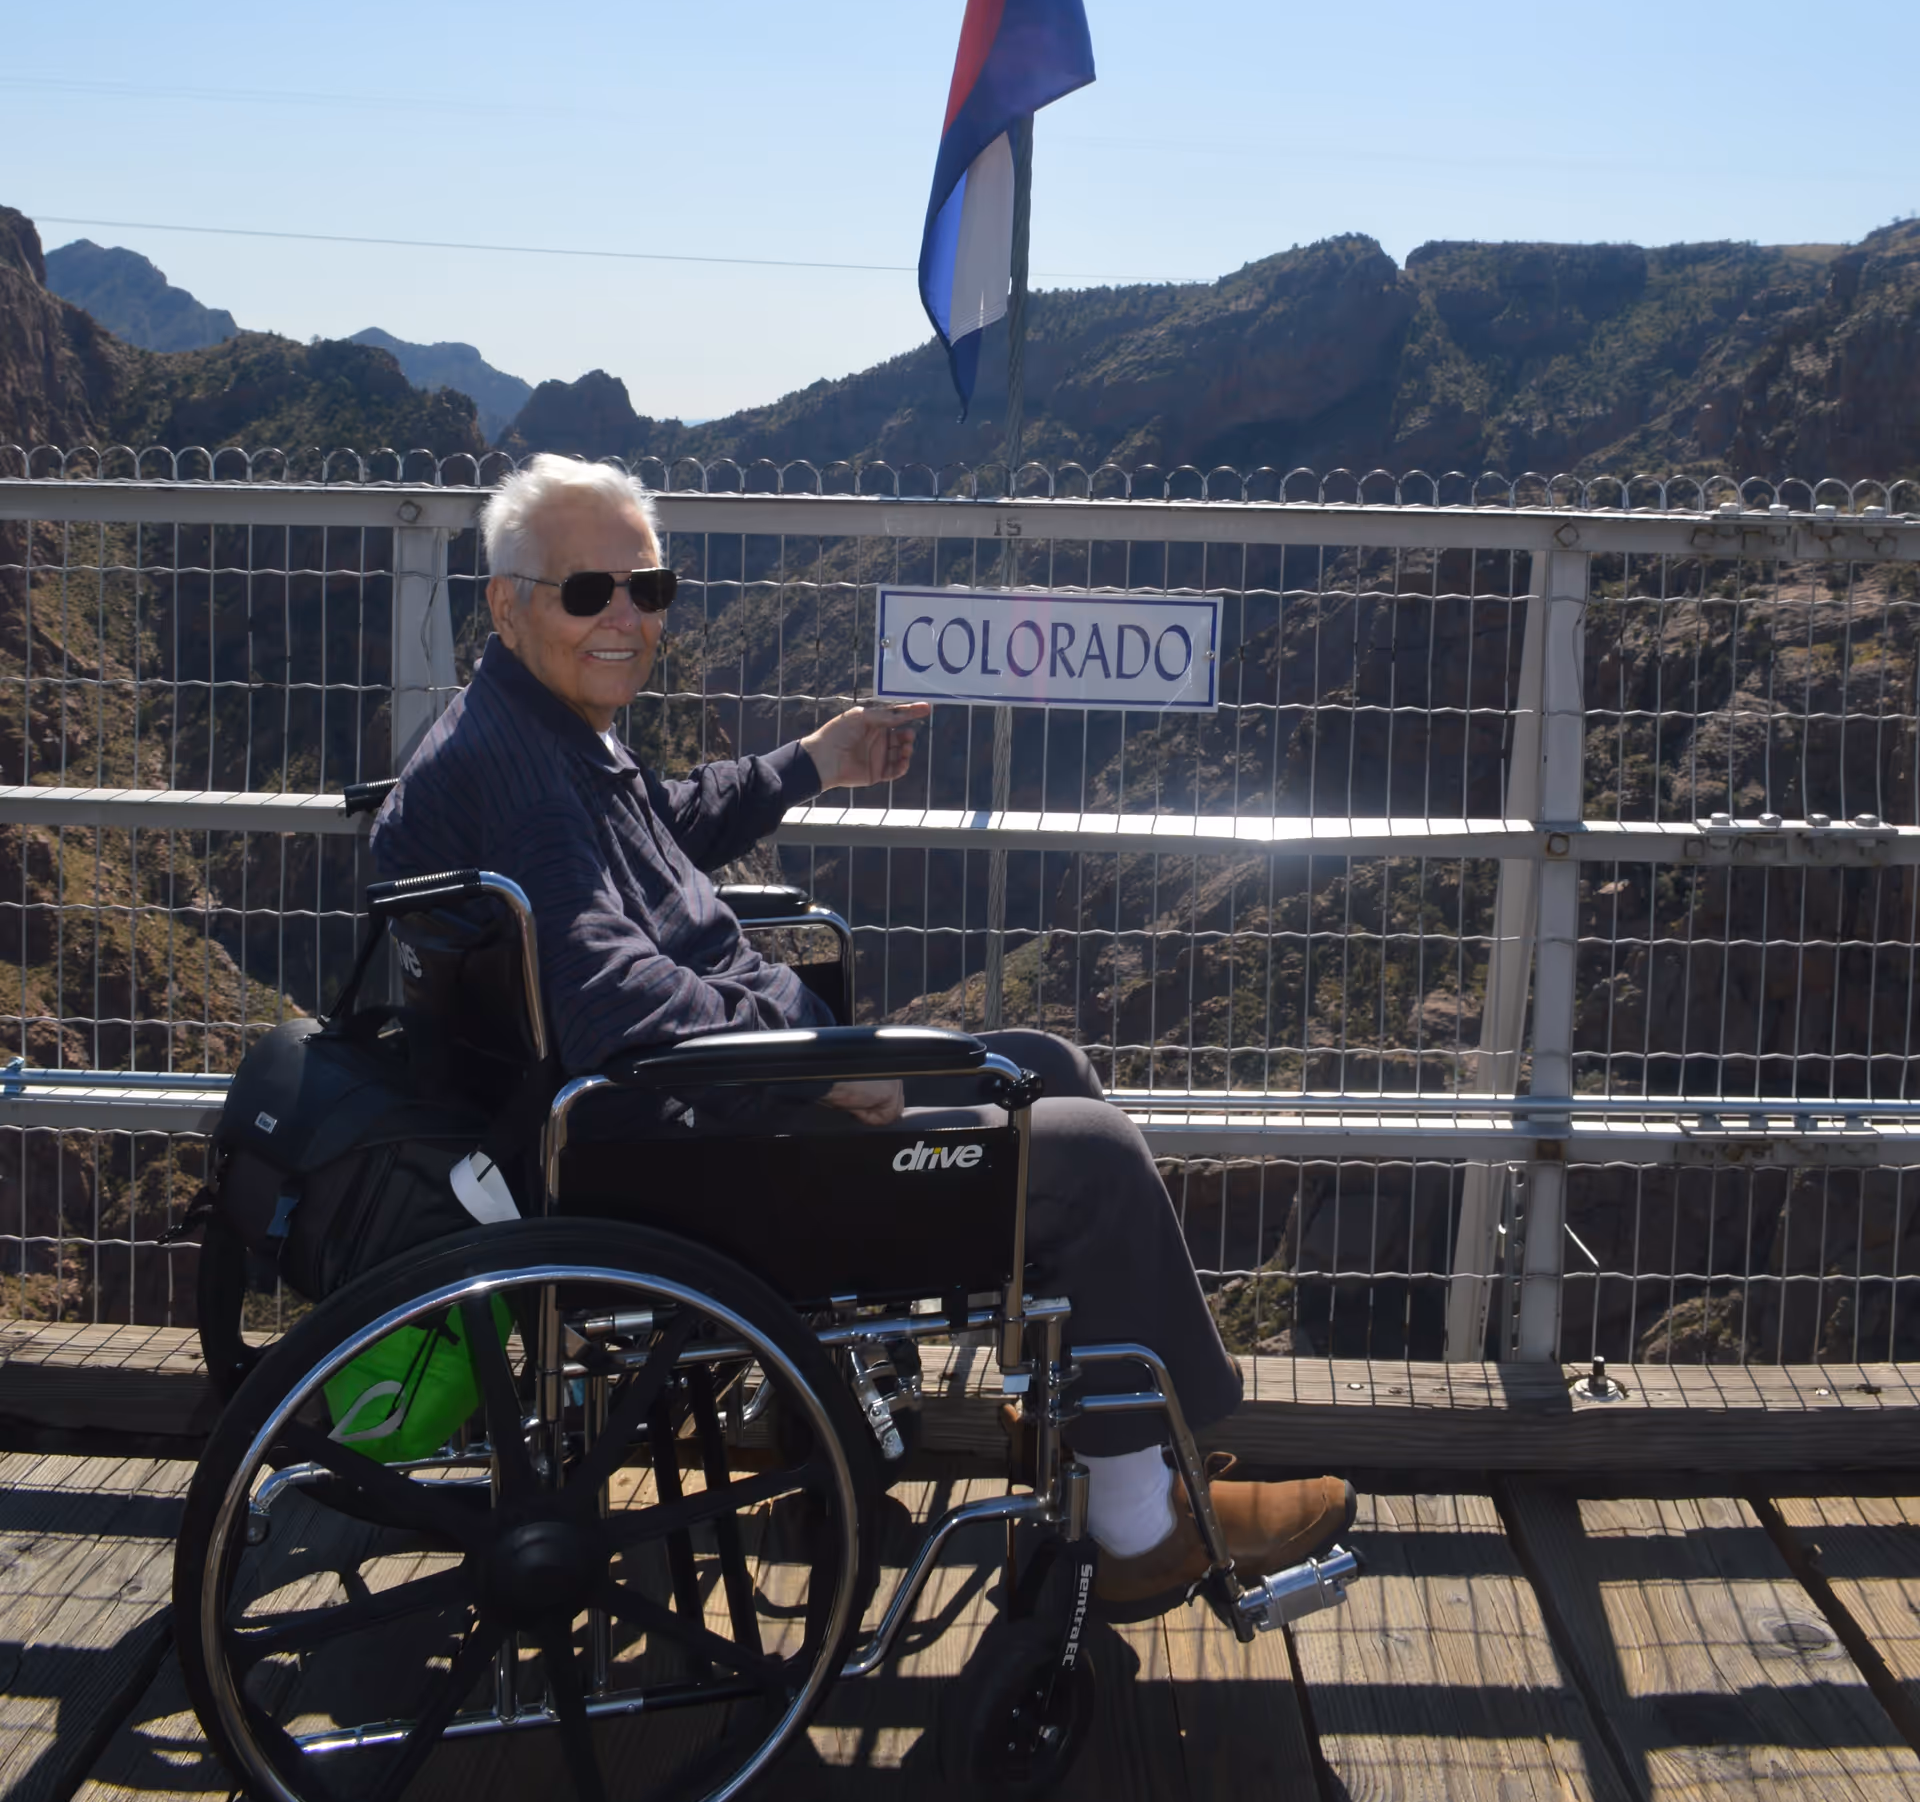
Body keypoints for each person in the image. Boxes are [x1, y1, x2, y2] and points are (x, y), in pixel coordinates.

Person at [373, 453, 1352, 1615]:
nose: (626, 617)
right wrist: (815, 1064)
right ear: (506, 599)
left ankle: (1105, 1448)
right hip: (695, 1157)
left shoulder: (534, 727)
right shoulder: (524, 769)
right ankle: (1139, 1523)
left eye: (649, 588)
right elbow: (610, 1000)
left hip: (665, 1129)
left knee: (1048, 1067)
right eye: (589, 591)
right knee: (1086, 1156)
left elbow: (656, 831)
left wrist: (811, 760)